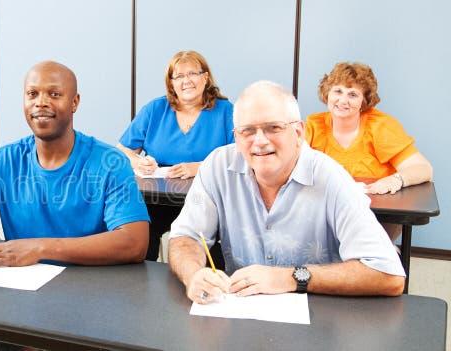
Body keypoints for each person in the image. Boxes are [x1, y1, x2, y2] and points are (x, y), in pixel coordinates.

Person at [0, 61, 150, 350]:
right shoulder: (4, 160)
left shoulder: (110, 162)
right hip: (19, 300)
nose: (41, 103)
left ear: (75, 102)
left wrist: (40, 248)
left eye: (54, 94)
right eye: (32, 94)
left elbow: (134, 242)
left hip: (91, 302)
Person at [167, 81, 405, 305]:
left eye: (273, 128)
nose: (259, 141)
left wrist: (290, 278)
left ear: (298, 133)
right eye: (247, 131)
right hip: (240, 313)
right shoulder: (217, 166)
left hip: (321, 319)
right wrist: (194, 275)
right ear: (237, 137)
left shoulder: (331, 178)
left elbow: (388, 274)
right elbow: (185, 237)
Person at [116, 50, 234, 261]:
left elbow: (240, 156)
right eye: (178, 76)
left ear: (205, 78)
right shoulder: (155, 109)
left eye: (193, 74)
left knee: (209, 245)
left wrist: (200, 167)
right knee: (140, 228)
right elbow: (122, 150)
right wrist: (140, 162)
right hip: (158, 199)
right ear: (171, 83)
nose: (186, 81)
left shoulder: (226, 111)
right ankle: (141, 285)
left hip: (207, 199)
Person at [305, 62, 433, 241]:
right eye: (338, 91)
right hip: (330, 212)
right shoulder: (314, 125)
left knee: (362, 255)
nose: (343, 100)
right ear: (327, 94)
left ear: (364, 101)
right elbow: (291, 165)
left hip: (377, 217)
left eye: (353, 94)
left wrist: (395, 180)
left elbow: (423, 168)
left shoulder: (380, 126)